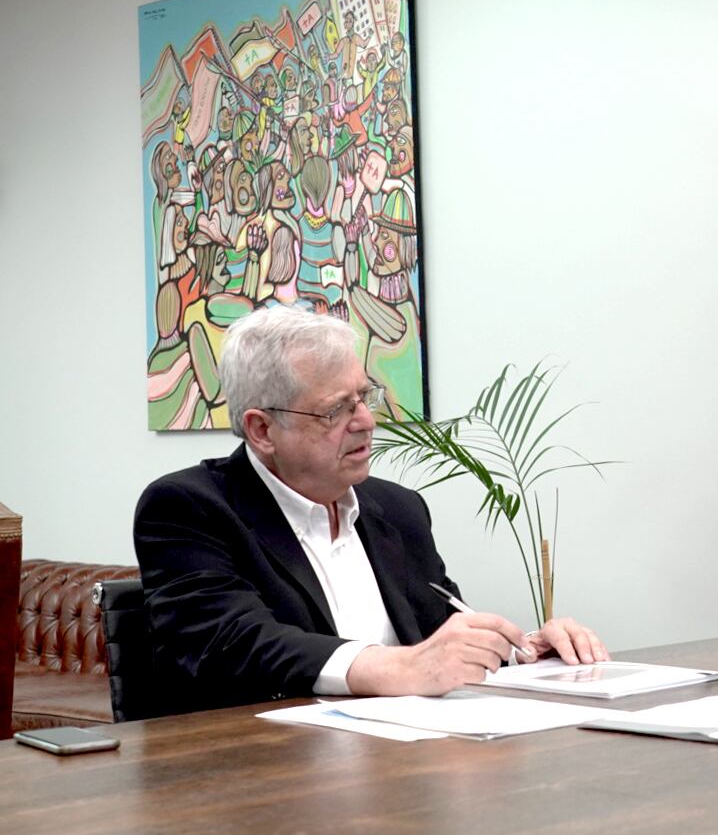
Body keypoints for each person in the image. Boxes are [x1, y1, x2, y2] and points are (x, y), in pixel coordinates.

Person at [135, 305, 608, 714]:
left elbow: (438, 639)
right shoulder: (188, 508)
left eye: (364, 397)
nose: (366, 421)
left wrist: (520, 651)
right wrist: (400, 666)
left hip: (402, 764)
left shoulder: (397, 509)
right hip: (265, 776)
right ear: (262, 430)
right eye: (335, 410)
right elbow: (234, 645)